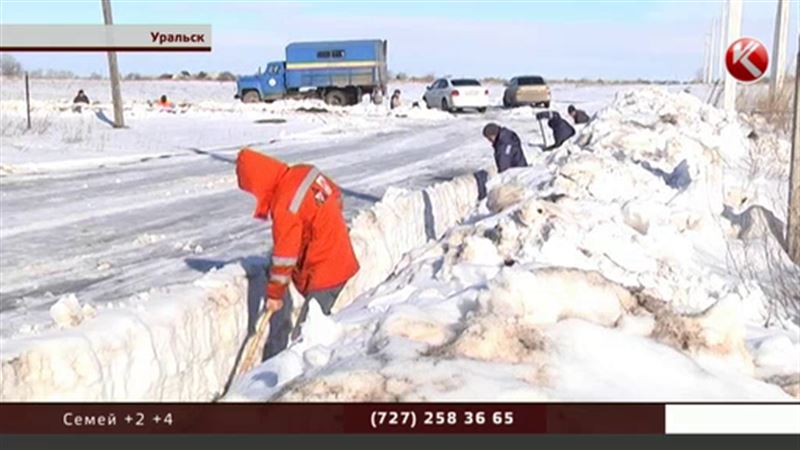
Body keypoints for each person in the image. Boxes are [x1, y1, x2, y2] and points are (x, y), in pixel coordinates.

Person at [236, 148, 360, 356]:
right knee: (316, 325)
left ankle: (301, 381)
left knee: (304, 339)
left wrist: (274, 294)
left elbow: (285, 255)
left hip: (326, 270)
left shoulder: (285, 205)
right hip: (340, 254)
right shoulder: (304, 171)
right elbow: (336, 196)